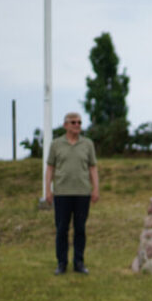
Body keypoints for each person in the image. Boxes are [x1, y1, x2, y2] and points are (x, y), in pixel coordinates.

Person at [45, 112, 99, 275]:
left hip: (82, 193)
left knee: (80, 229)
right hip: (62, 193)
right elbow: (50, 168)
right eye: (73, 122)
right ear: (65, 125)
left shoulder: (87, 144)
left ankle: (79, 262)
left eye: (80, 123)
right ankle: (61, 263)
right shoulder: (56, 144)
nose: (77, 125)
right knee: (62, 229)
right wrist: (48, 189)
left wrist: (95, 188)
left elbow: (92, 167)